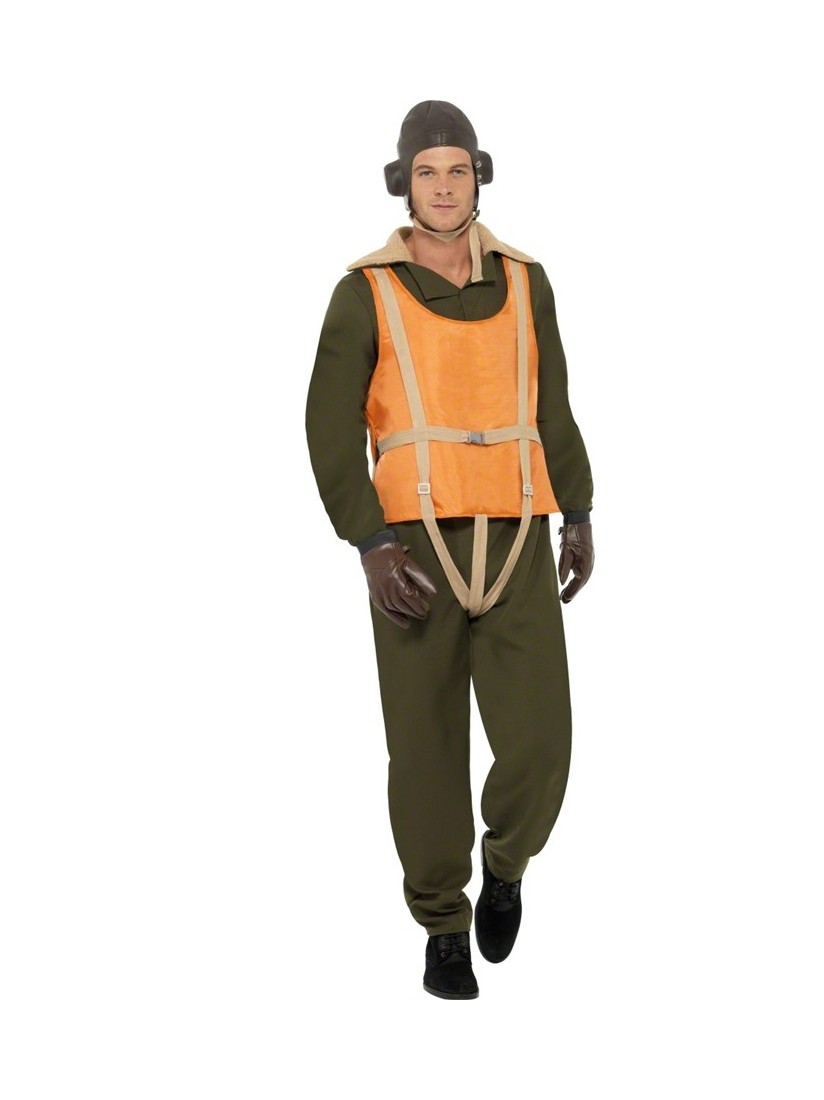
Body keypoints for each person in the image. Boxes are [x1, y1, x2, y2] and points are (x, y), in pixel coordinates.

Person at [306, 100, 594, 1000]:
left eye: (457, 170)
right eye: (427, 172)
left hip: (516, 536)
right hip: (413, 552)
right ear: (404, 182)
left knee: (542, 743)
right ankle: (442, 925)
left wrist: (579, 511)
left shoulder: (527, 281)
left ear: (479, 176)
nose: (443, 187)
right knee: (426, 751)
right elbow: (326, 425)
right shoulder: (365, 292)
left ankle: (506, 866)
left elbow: (552, 403)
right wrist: (368, 541)